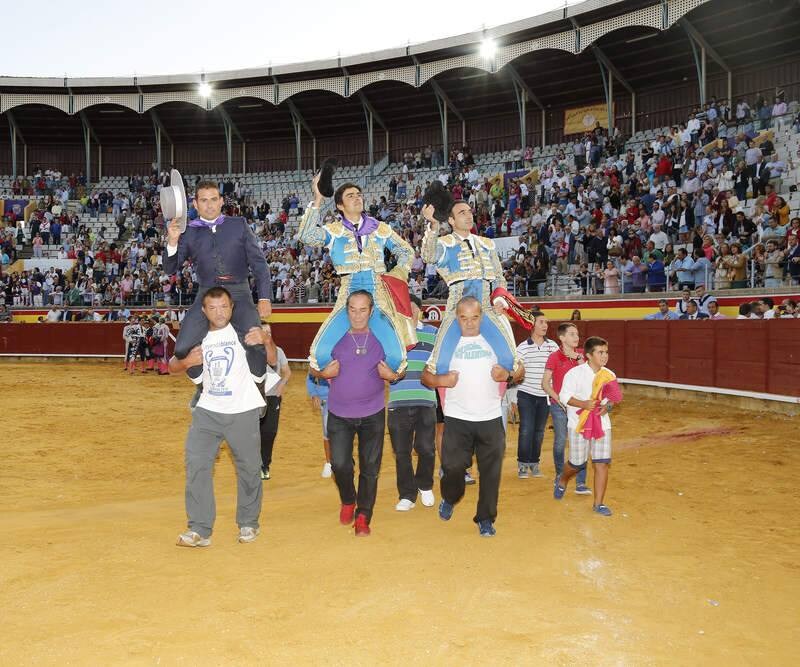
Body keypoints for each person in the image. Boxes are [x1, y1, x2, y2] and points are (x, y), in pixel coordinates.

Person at [169, 287, 267, 547]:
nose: (219, 312)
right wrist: (187, 361)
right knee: (196, 464)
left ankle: (248, 522)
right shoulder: (197, 338)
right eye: (212, 308)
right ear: (204, 311)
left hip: (243, 409)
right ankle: (199, 529)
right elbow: (171, 367)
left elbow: (270, 357)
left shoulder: (244, 331)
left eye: (223, 306)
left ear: (232, 307)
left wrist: (266, 340)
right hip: (208, 410)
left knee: (248, 468)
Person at [422, 296, 525, 537]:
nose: (469, 323)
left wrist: (508, 375)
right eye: (463, 318)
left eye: (474, 317)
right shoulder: (447, 343)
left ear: (482, 318)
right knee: (453, 468)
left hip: (490, 418)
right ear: (456, 318)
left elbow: (520, 371)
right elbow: (425, 376)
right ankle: (450, 496)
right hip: (457, 419)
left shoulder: (495, 342)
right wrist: (440, 380)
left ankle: (486, 518)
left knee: (491, 473)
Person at [164, 180, 271, 400]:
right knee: (182, 349)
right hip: (206, 295)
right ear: (195, 203)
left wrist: (265, 297)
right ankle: (204, 387)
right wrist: (172, 242)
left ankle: (258, 390)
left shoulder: (239, 224)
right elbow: (170, 268)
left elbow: (259, 264)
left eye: (214, 199)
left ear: (221, 201)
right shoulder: (188, 232)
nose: (210, 205)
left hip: (239, 292)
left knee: (255, 343)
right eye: (204, 200)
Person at [297, 175, 415, 374]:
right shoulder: (333, 231)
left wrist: (397, 275)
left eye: (359, 194)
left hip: (378, 294)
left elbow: (406, 252)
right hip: (348, 294)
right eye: (350, 196)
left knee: (397, 357)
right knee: (320, 354)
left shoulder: (379, 228)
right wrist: (317, 199)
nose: (357, 198)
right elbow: (306, 236)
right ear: (340, 205)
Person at [311, 290, 401, 536]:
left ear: (371, 311)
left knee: (370, 467)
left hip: (373, 412)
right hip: (339, 412)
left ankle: (363, 515)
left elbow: (399, 369)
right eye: (352, 309)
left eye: (363, 310)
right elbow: (314, 367)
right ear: (346, 310)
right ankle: (348, 499)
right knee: (340, 464)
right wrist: (322, 374)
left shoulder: (384, 338)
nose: (357, 315)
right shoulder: (334, 338)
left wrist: (392, 376)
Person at [421, 200, 518, 376]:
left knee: (509, 360)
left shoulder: (486, 244)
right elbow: (428, 256)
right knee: (440, 364)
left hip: (486, 309)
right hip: (456, 311)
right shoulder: (444, 243)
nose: (468, 215)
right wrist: (433, 225)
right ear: (451, 220)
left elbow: (498, 278)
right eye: (461, 213)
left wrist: (499, 300)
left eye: (469, 211)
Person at [554, 336, 622, 517]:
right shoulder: (575, 374)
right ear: (589, 355)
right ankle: (562, 479)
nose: (605, 356)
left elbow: (611, 401)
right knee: (577, 463)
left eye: (606, 352)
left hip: (602, 425)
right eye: (600, 352)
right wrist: (583, 404)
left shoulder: (609, 375)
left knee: (602, 463)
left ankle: (598, 504)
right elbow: (563, 396)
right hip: (579, 425)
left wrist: (606, 408)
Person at [387, 295, 438, 511]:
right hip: (398, 401)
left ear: (420, 310)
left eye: (412, 308)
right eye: (403, 309)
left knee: (426, 447)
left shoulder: (433, 334)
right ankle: (407, 494)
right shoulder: (392, 336)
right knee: (401, 451)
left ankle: (425, 485)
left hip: (426, 399)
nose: (408, 312)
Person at [542, 322, 590, 495]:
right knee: (561, 442)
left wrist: (580, 361)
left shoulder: (582, 356)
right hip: (559, 406)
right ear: (562, 338)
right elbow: (545, 383)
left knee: (582, 442)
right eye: (572, 334)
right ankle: (560, 475)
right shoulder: (554, 357)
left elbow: (589, 380)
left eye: (577, 334)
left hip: (579, 406)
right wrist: (558, 399)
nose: (576, 337)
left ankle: (581, 482)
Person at [514, 311, 558, 479]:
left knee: (539, 431)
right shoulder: (522, 347)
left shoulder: (553, 346)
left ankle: (534, 463)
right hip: (526, 393)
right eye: (541, 322)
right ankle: (523, 464)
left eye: (546, 322)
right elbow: (516, 371)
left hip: (545, 395)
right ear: (531, 324)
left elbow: (557, 370)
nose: (545, 325)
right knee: (526, 429)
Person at [258, 324, 291, 481]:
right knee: (253, 433)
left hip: (272, 397)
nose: (267, 334)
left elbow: (287, 371)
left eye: (269, 332)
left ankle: (264, 465)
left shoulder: (279, 351)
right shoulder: (252, 352)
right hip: (254, 398)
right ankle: (253, 465)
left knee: (269, 432)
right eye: (264, 331)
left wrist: (282, 385)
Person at [306, 372, 332, 478]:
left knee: (344, 432)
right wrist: (314, 394)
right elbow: (310, 377)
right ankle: (329, 463)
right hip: (325, 400)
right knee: (327, 432)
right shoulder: (318, 356)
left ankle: (346, 464)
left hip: (343, 398)